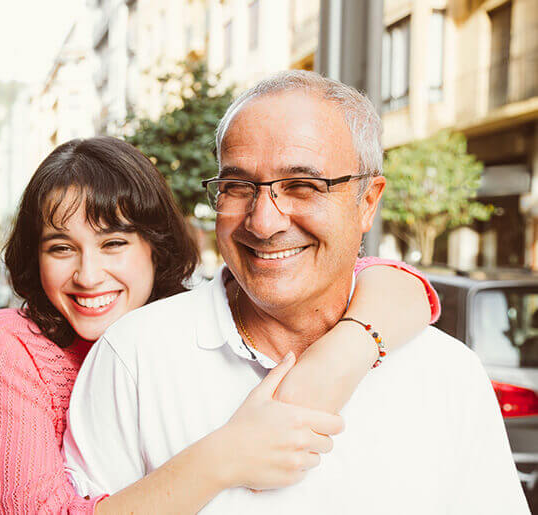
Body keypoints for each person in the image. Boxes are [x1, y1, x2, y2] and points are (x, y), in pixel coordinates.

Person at [63, 73, 530, 514]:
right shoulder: (135, 358)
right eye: (237, 186)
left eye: (303, 186)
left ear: (368, 201)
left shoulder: (447, 375)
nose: (264, 222)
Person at [0, 136, 437, 514]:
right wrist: (227, 454)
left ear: (154, 246)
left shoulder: (171, 332)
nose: (87, 275)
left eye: (113, 244)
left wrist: (346, 349)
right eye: (60, 247)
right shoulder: (9, 344)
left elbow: (384, 278)